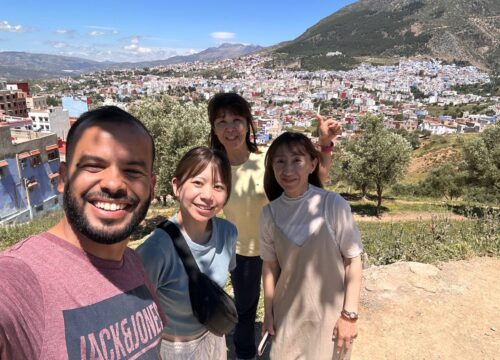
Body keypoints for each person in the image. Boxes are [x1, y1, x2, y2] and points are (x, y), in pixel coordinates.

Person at [0, 106, 166, 360]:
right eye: (93, 166)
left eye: (132, 171)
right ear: (64, 178)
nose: (112, 183)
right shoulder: (19, 278)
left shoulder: (132, 262)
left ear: (151, 188)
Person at [207, 92, 341, 359]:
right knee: (244, 310)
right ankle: (245, 354)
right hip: (243, 251)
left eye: (236, 119)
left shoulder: (267, 158)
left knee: (288, 306)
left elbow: (313, 180)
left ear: (248, 123)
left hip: (282, 250)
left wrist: (325, 145)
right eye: (221, 121)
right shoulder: (215, 169)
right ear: (213, 127)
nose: (230, 128)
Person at [260, 131, 363, 360]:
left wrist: (349, 316)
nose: (288, 170)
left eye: (297, 160)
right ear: (272, 167)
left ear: (312, 163)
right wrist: (268, 312)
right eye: (280, 161)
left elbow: (353, 261)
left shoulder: (333, 205)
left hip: (330, 320)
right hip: (286, 317)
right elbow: (269, 267)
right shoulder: (269, 214)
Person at [137, 146, 238, 360]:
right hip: (175, 349)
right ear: (177, 186)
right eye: (198, 183)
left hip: (214, 338)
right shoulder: (156, 250)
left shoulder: (228, 233)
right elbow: (136, 313)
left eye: (218, 186)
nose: (208, 196)